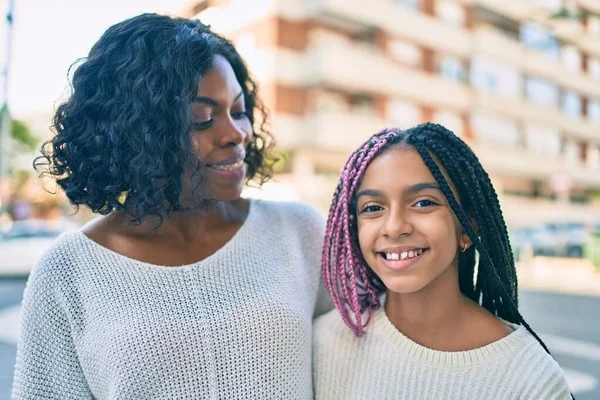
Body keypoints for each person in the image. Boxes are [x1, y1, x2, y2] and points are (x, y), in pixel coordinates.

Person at [13, 13, 329, 400]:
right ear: (139, 132)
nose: (235, 134)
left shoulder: (299, 232)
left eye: (239, 110)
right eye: (203, 117)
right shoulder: (67, 273)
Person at [314, 124, 572, 399]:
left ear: (467, 227)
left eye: (424, 203)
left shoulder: (532, 378)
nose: (394, 227)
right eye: (373, 208)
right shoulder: (326, 341)